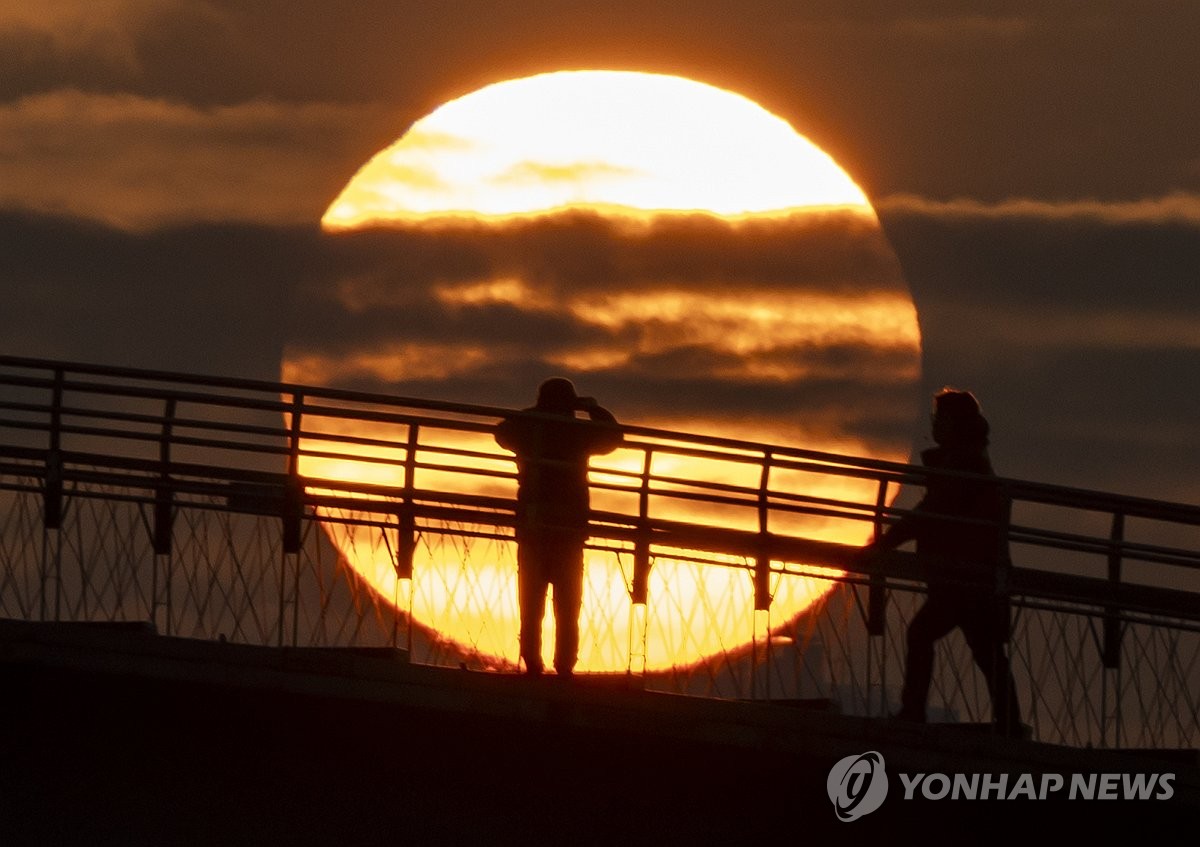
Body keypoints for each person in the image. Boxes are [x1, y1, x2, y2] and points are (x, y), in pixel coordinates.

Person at [863, 388, 1023, 735]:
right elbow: (933, 510)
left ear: (954, 424)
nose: (935, 425)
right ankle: (1009, 724)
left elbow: (931, 513)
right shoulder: (968, 459)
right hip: (972, 572)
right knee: (985, 650)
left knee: (923, 634)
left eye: (941, 419)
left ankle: (913, 712)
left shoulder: (962, 464)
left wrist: (884, 543)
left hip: (962, 573)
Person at [495, 378, 623, 677]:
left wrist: (536, 412)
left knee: (531, 603)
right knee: (568, 606)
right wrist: (593, 409)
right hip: (569, 527)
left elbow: (501, 431)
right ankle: (564, 667)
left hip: (533, 523)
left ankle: (532, 664)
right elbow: (614, 437)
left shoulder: (529, 428)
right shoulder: (578, 432)